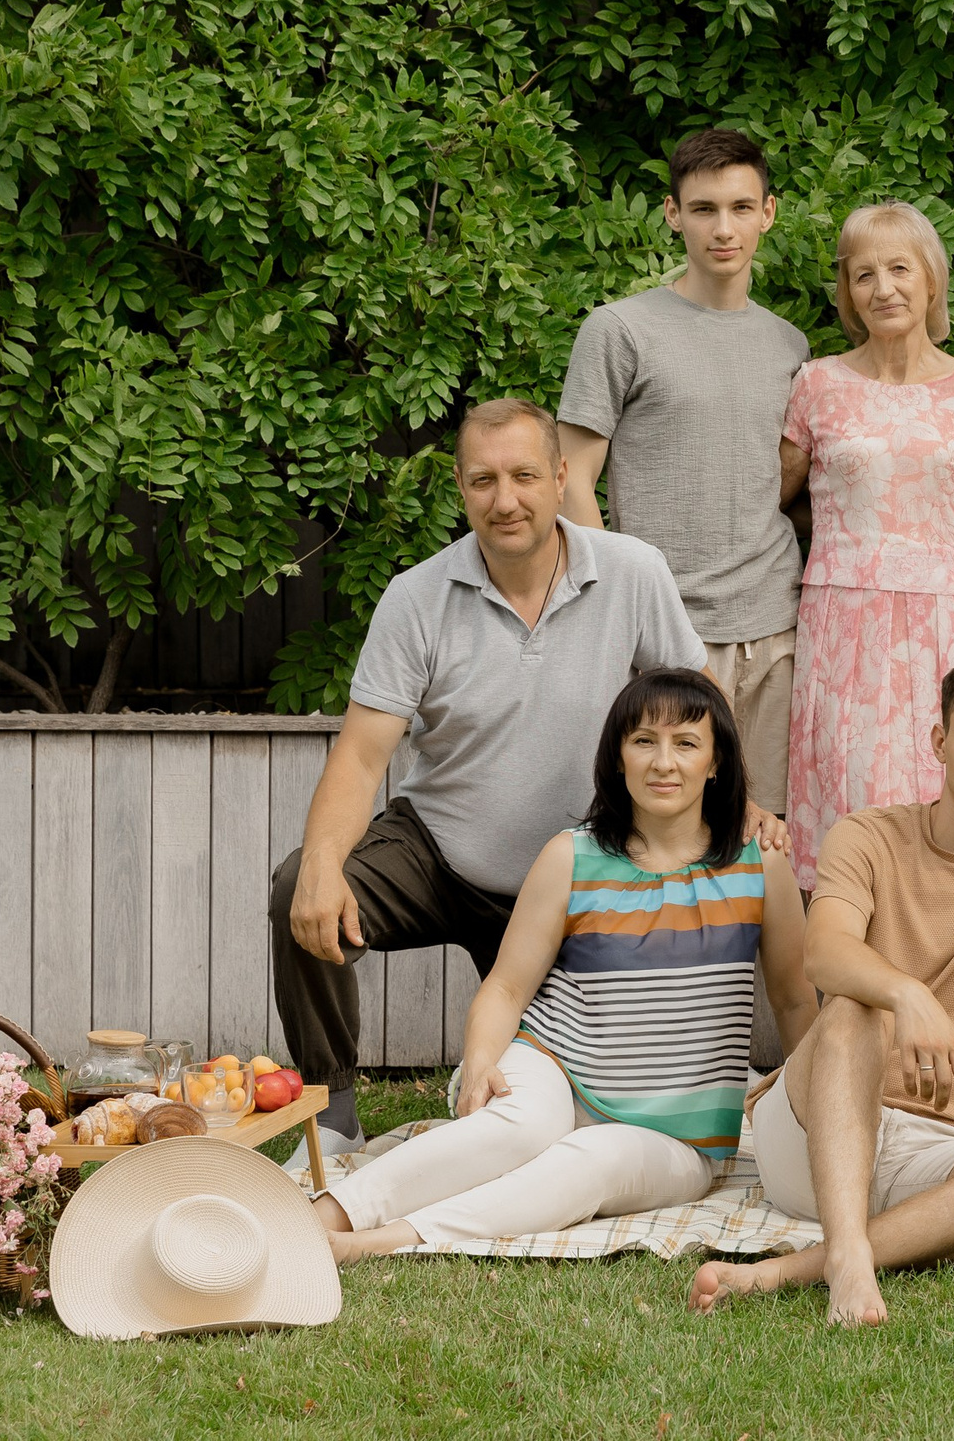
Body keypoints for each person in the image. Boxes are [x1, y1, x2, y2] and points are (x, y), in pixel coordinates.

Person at [270, 399, 707, 1160]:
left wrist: (742, 804)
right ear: (461, 488)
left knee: (561, 1113)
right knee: (296, 889)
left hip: (575, 874)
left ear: (561, 477)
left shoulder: (633, 572)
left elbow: (700, 711)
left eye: (524, 476)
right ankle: (333, 1110)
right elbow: (362, 756)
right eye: (484, 480)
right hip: (437, 853)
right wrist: (321, 864)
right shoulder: (416, 596)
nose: (505, 500)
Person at [311, 670, 815, 1261]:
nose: (664, 762)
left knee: (593, 1161)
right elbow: (506, 987)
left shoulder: (760, 864)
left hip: (677, 1137)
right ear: (618, 757)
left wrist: (814, 1110)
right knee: (521, 1125)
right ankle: (322, 1214)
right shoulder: (571, 855)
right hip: (556, 1066)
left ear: (716, 762)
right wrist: (480, 1063)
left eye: (686, 743)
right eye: (644, 741)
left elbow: (794, 1000)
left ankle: (382, 1242)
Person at [690, 654, 954, 1327]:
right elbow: (824, 953)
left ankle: (804, 1266)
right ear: (939, 741)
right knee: (858, 1008)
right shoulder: (869, 835)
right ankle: (848, 1258)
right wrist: (908, 995)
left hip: (946, 1158)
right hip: (818, 1130)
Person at [556, 130, 813, 823]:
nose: (723, 228)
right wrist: (622, 607)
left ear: (768, 213)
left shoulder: (790, 345)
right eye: (703, 209)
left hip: (777, 627)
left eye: (740, 207)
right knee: (664, 830)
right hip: (669, 630)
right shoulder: (619, 330)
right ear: (673, 214)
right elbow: (570, 479)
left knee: (766, 832)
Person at [779, 201, 954, 886]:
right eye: (864, 275)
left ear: (931, 279)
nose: (883, 288)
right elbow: (777, 497)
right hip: (846, 627)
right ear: (848, 292)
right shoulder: (818, 384)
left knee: (953, 789)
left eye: (899, 269)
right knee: (852, 795)